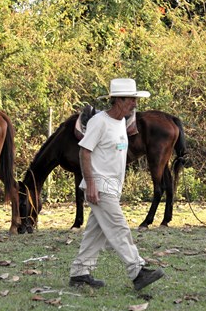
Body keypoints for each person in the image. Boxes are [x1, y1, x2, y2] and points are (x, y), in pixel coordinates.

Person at [69, 78, 165, 291]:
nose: (135, 104)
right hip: (100, 186)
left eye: (135, 99)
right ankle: (137, 271)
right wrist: (91, 184)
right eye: (131, 100)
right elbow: (84, 151)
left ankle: (79, 273)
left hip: (112, 186)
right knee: (119, 228)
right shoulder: (99, 122)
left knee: (97, 232)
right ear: (118, 100)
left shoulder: (121, 121)